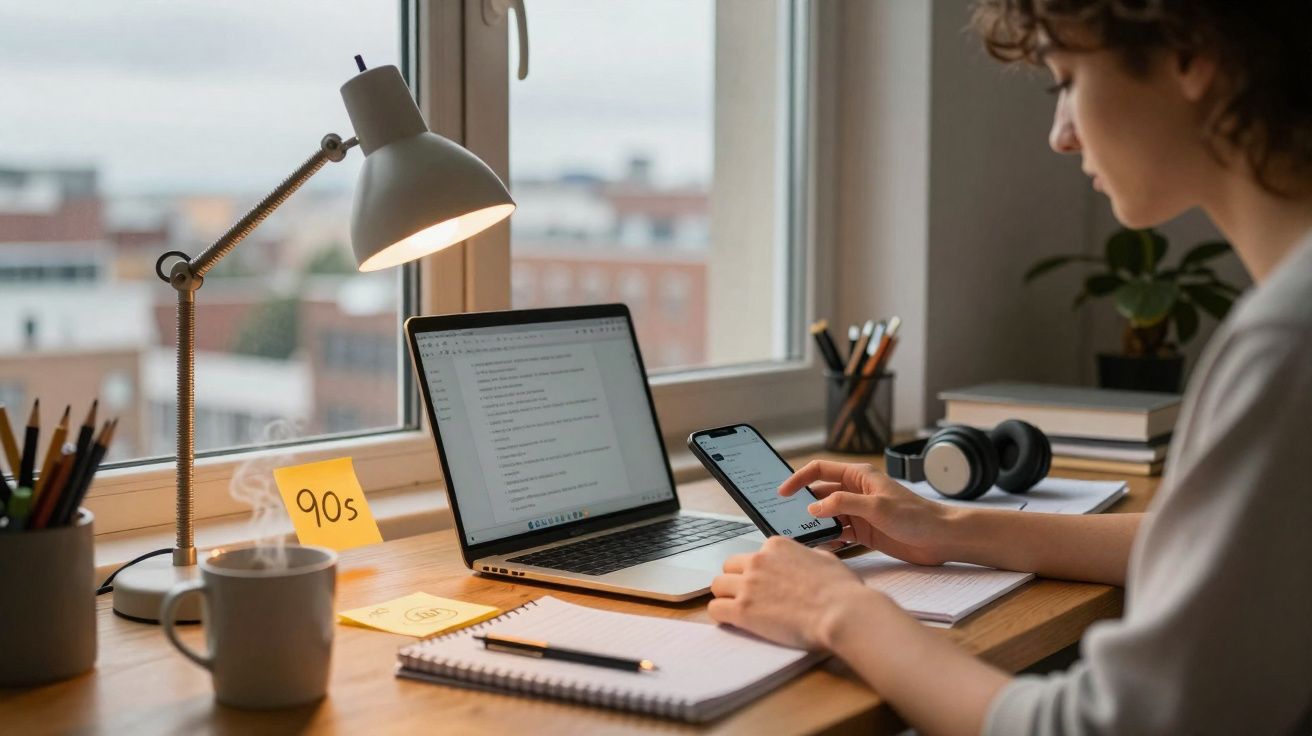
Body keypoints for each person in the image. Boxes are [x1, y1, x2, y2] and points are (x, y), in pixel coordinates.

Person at [707, 2, 1312, 734]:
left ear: (1191, 53)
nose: (1060, 135)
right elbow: (1227, 555)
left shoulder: (1287, 343)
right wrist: (952, 526)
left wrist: (837, 610)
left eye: (1066, 80)